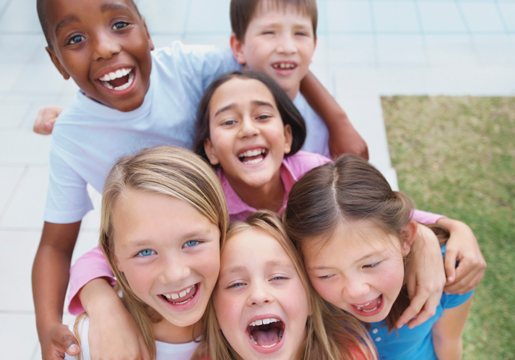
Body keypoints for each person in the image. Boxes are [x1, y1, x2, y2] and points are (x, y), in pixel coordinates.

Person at [32, 0, 362, 358]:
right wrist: (75, 311)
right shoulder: (73, 135)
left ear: (147, 30)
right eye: (76, 38)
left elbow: (268, 64)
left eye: (120, 25)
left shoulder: (190, 67)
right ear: (56, 61)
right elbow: (62, 246)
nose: (106, 47)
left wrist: (338, 120)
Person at [69, 70, 482, 350]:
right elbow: (117, 247)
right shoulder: (209, 204)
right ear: (210, 149)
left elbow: (375, 213)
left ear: (287, 136)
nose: (248, 128)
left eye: (262, 115)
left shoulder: (312, 174)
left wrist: (441, 229)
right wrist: (100, 299)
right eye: (228, 122)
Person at [283, 154, 476, 359]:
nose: (356, 291)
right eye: (327, 275)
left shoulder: (448, 271)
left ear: (405, 237)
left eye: (371, 264)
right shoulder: (298, 298)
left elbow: (448, 341)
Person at [64, 145, 229, 360]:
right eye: (146, 252)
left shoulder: (258, 318)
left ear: (221, 232)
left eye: (192, 242)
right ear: (113, 255)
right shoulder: (87, 345)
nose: (174, 273)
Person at [194, 210, 376, 360]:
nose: (258, 295)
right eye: (237, 284)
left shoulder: (350, 355)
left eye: (278, 277)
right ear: (215, 314)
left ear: (311, 299)